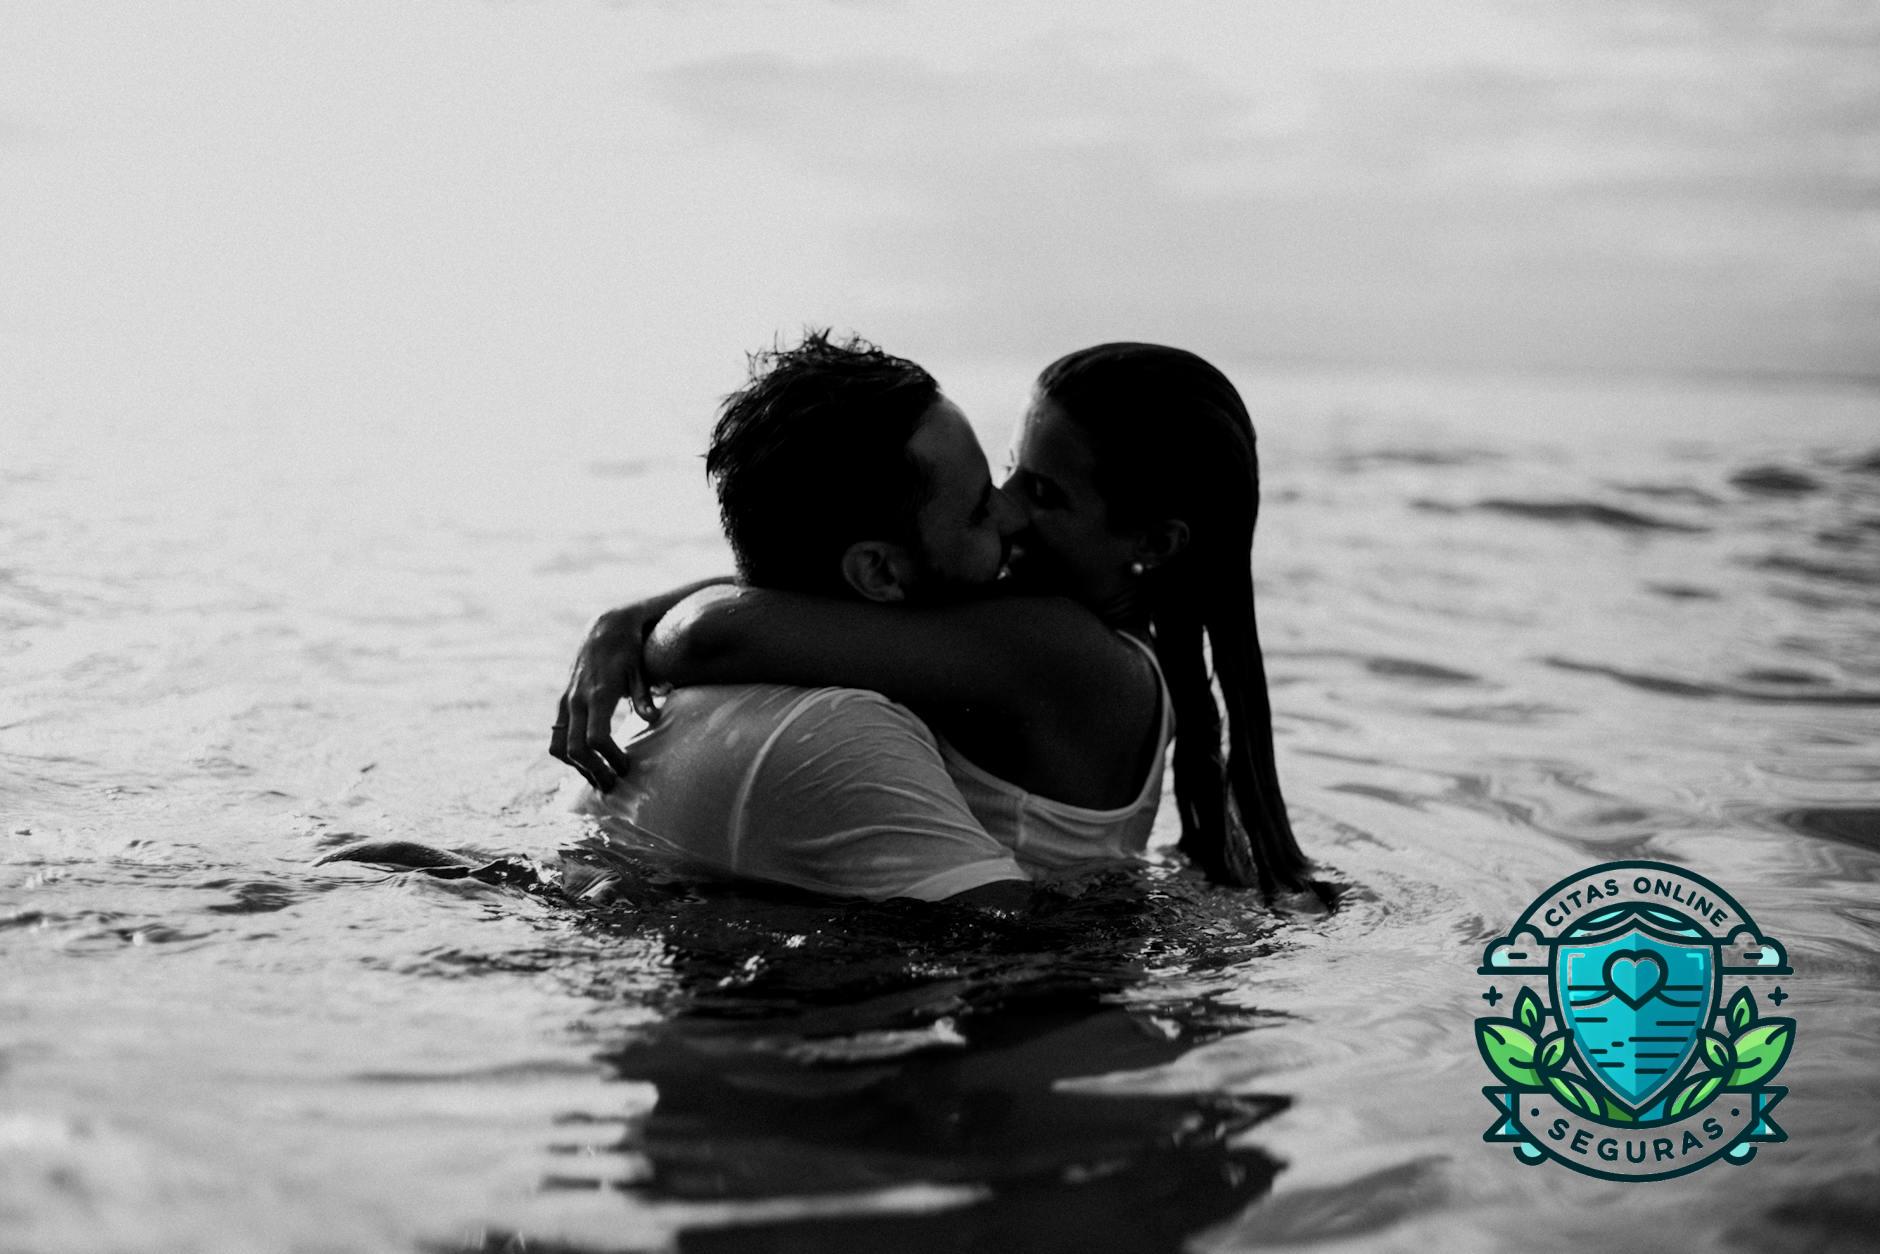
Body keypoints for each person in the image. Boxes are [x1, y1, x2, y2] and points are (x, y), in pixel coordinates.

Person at [557, 341, 1310, 895]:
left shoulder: (1059, 649)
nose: (1009, 508)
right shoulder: (1042, 634)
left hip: (1020, 991)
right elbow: (826, 597)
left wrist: (633, 623)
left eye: (1045, 496)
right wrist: (628, 617)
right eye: (1011, 471)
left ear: (1152, 544)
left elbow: (722, 633)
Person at [555, 332, 1035, 906]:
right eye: (980, 508)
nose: (1013, 514)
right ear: (878, 572)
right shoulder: (841, 729)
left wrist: (627, 618)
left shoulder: (680, 699)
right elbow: (1007, 938)